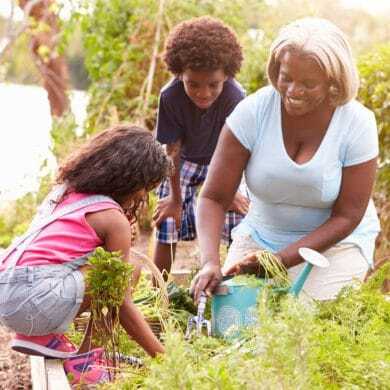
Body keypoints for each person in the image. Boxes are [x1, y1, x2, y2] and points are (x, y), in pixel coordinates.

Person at [191, 17, 380, 302]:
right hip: (261, 237)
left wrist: (279, 261)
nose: (293, 91)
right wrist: (210, 261)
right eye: (286, 77)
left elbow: (347, 215)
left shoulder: (356, 123)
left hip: (334, 245)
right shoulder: (253, 113)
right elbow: (214, 197)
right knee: (234, 320)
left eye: (308, 83)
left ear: (333, 81)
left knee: (302, 325)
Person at [0, 125, 171, 385]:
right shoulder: (113, 220)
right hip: (35, 298)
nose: (142, 197)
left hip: (7, 293)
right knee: (131, 269)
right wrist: (165, 359)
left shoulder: (64, 192)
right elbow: (121, 303)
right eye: (145, 188)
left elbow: (58, 252)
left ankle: (39, 336)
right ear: (130, 179)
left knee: (115, 267)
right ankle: (87, 359)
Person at [153, 16, 249, 276]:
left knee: (238, 218)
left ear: (227, 75)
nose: (203, 93)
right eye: (192, 84)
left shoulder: (235, 97)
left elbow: (240, 150)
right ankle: (159, 292)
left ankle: (229, 282)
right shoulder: (170, 96)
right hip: (182, 161)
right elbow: (172, 151)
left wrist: (230, 193)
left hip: (224, 160)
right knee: (168, 220)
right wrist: (174, 198)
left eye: (213, 85)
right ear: (179, 73)